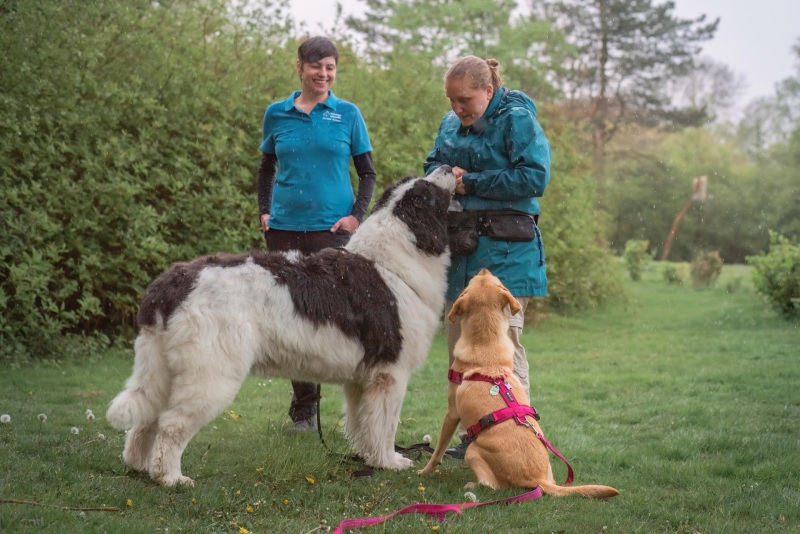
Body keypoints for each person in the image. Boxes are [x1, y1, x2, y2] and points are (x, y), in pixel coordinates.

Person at [423, 56, 551, 457]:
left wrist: (469, 182)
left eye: (465, 100)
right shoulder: (449, 123)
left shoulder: (516, 120)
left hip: (508, 252)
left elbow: (534, 177)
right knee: (461, 350)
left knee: (501, 351)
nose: (457, 108)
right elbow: (432, 165)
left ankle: (517, 436)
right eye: (451, 100)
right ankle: (473, 437)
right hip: (460, 250)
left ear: (488, 91)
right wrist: (445, 175)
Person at [257, 36, 377, 432]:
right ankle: (304, 409)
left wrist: (356, 217)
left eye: (330, 68)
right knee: (292, 317)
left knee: (336, 317)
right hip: (285, 231)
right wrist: (265, 210)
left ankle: (355, 406)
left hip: (332, 232)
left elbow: (368, 174)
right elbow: (266, 169)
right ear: (300, 68)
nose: (323, 74)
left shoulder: (347, 114)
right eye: (316, 67)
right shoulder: (277, 114)